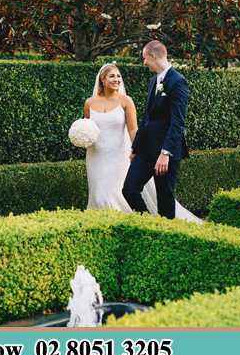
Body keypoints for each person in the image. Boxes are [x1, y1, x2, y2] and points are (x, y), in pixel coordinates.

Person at [83, 61, 200, 222]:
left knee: (114, 192)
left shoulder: (126, 101)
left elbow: (133, 129)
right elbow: (87, 126)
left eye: (118, 76)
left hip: (117, 154)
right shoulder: (89, 103)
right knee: (98, 192)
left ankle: (123, 222)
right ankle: (100, 224)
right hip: (95, 155)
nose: (117, 79)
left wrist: (137, 149)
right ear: (102, 80)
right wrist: (81, 137)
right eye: (112, 76)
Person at [122, 41, 190, 220]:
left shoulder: (178, 82)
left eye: (145, 58)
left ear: (153, 56)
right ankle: (150, 223)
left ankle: (167, 237)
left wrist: (165, 153)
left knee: (164, 197)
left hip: (166, 152)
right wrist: (135, 148)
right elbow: (147, 118)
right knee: (129, 189)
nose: (144, 62)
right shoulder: (154, 81)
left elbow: (177, 122)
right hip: (145, 150)